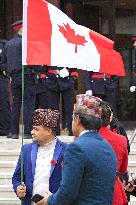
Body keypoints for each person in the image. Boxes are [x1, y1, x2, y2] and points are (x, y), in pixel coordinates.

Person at [36, 94, 117, 205]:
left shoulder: (76, 148)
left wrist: (48, 201)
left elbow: (67, 194)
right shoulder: (107, 146)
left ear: (77, 119)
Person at [12, 108, 67, 205]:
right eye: (33, 128)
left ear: (48, 131)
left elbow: (71, 183)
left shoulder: (66, 150)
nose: (32, 132)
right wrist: (18, 188)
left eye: (36, 129)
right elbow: (16, 177)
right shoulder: (26, 149)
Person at [0, 20, 36, 138]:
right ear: (21, 29)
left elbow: (3, 63)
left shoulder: (8, 44)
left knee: (15, 105)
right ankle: (27, 132)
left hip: (14, 77)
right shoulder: (26, 43)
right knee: (28, 105)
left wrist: (8, 72)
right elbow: (33, 61)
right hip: (27, 76)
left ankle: (14, 132)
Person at [99, 103, 128, 205]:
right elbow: (123, 169)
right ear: (110, 118)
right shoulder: (121, 140)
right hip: (113, 191)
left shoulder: (81, 140)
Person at [45, 66, 78, 135]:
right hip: (51, 80)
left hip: (67, 80)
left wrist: (72, 76)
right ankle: (55, 130)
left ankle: (71, 129)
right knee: (53, 108)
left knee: (69, 107)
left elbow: (74, 65)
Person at [0, 39, 11, 136]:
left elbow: (7, 60)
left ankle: (5, 128)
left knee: (4, 103)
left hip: (1, 77)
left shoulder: (4, 44)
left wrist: (5, 69)